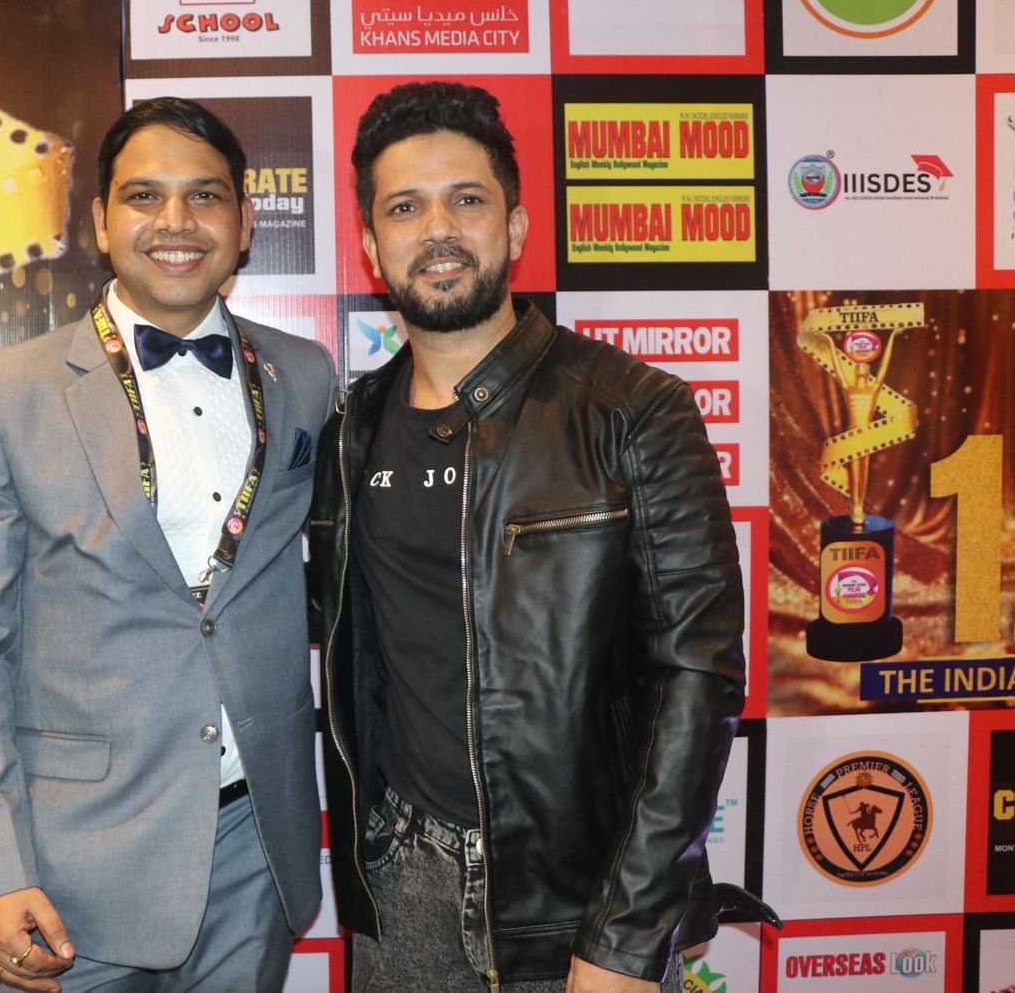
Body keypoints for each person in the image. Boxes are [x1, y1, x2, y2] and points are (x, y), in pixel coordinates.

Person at [310, 81, 773, 993]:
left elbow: (699, 675)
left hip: (577, 897)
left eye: (466, 200)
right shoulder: (351, 427)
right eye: (404, 208)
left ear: (515, 227)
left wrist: (628, 933)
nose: (437, 230)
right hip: (399, 887)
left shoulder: (634, 410)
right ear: (371, 245)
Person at [0, 97, 333, 992]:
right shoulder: (2, 391)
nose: (175, 222)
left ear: (245, 222)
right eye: (145, 196)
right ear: (103, 222)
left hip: (256, 847)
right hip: (71, 867)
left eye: (205, 196)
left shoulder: (305, 375)